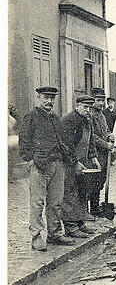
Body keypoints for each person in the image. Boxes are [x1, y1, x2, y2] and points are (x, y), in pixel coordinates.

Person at [19, 86, 74, 250]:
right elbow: (24, 141)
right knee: (37, 203)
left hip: (57, 164)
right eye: (46, 97)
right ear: (38, 97)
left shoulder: (56, 119)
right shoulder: (31, 117)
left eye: (52, 98)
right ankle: (36, 237)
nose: (49, 101)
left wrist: (66, 158)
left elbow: (62, 140)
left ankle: (55, 234)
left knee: (56, 202)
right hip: (39, 165)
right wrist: (29, 160)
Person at [61, 95, 101, 238]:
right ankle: (70, 227)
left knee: (82, 191)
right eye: (85, 107)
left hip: (82, 162)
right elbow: (66, 145)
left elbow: (90, 142)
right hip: (69, 163)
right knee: (70, 193)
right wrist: (75, 161)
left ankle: (80, 223)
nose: (87, 110)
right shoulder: (69, 120)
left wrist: (94, 157)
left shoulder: (88, 121)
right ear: (77, 106)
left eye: (89, 107)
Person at [87, 88, 113, 220]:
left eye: (103, 100)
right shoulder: (90, 115)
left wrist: (110, 135)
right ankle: (93, 208)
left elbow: (105, 130)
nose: (101, 103)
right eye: (98, 100)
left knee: (100, 180)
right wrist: (105, 144)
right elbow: (93, 136)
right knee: (94, 181)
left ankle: (96, 207)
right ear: (93, 102)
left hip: (103, 154)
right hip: (94, 154)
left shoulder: (102, 115)